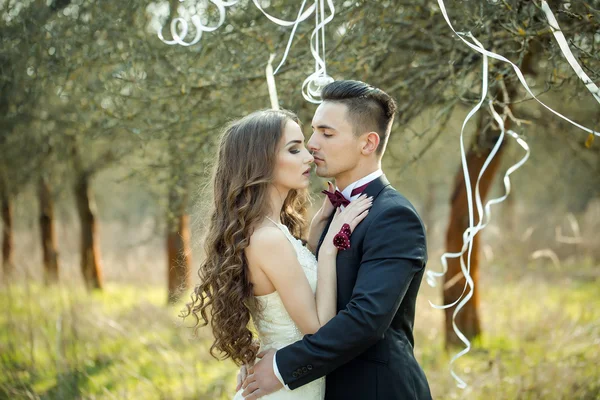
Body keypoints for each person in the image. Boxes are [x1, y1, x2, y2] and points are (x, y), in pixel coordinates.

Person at [238, 80, 432, 400]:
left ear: (368, 143)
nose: (313, 143)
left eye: (327, 134)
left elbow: (365, 321)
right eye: (313, 131)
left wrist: (282, 367)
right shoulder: (329, 213)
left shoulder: (394, 216)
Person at [182, 108, 372, 400]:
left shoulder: (270, 230)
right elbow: (318, 329)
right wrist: (330, 249)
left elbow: (290, 284)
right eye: (294, 150)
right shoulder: (268, 238)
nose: (309, 156)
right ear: (261, 162)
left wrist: (318, 229)